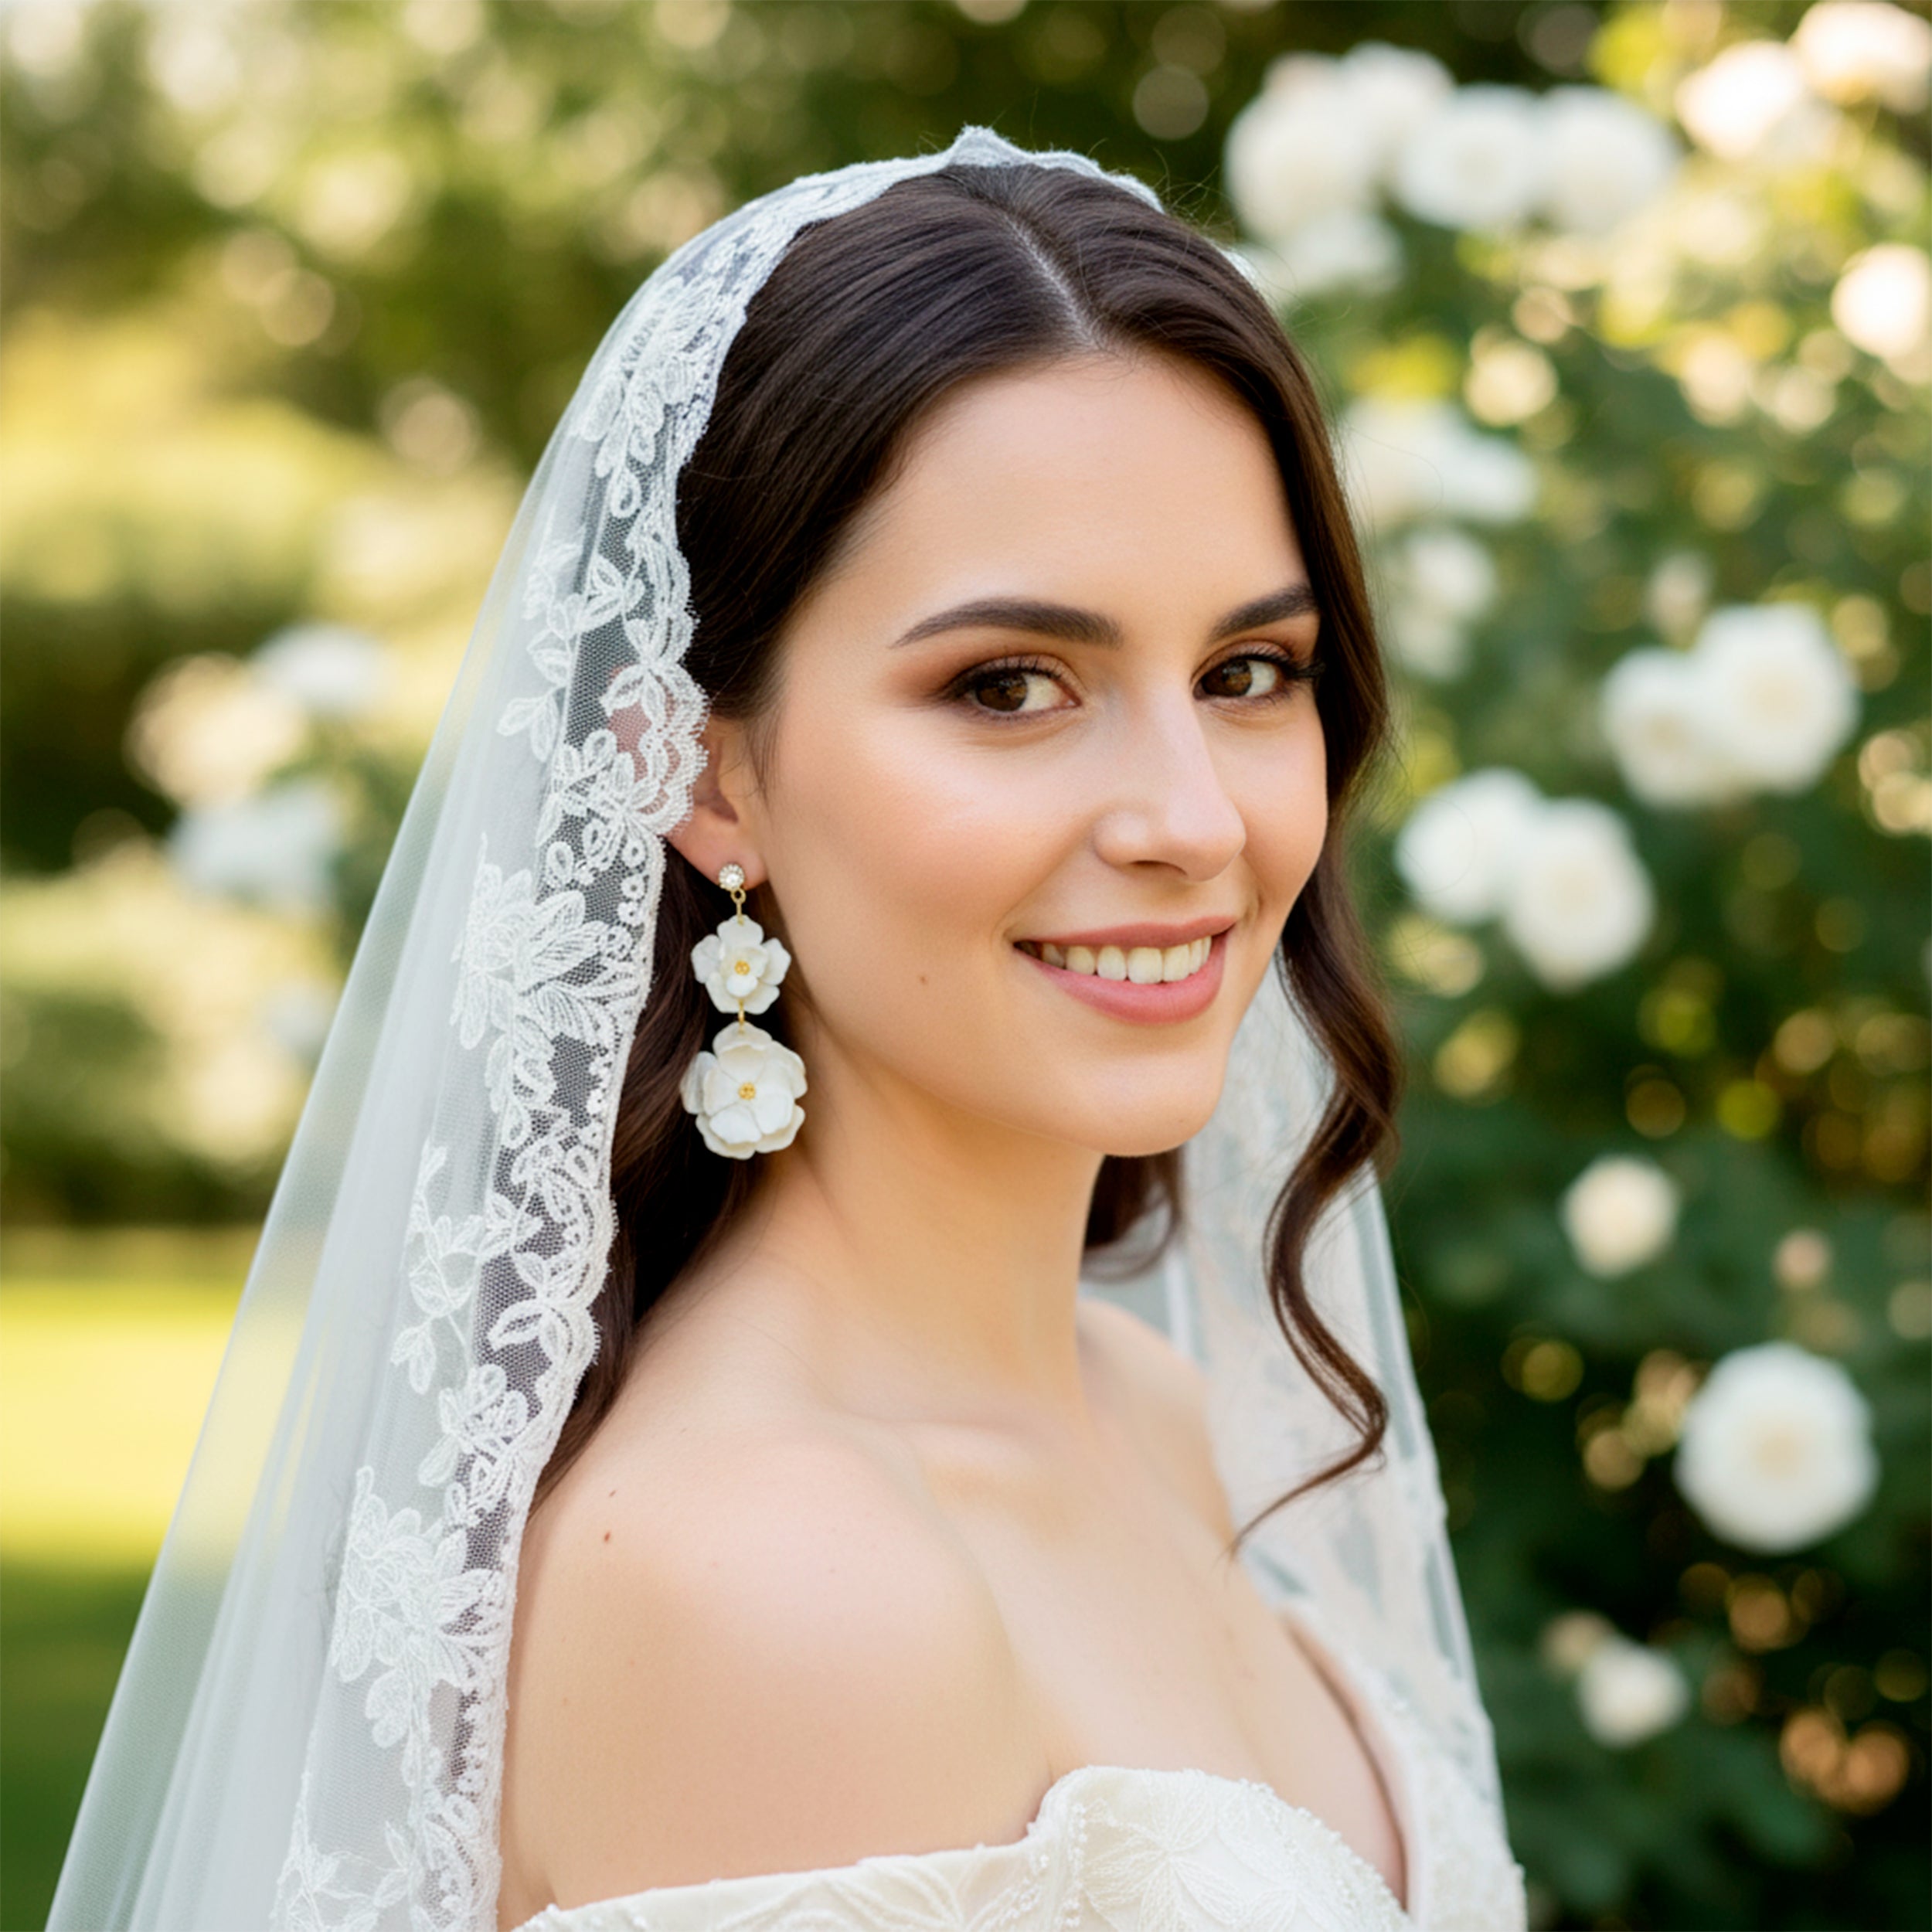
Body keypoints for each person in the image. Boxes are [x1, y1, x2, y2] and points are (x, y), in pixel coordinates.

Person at [49, 129, 1525, 1932]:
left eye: (1244, 673)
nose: (1190, 818)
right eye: (1008, 685)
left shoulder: (1157, 1408)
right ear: (703, 772)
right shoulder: (770, 1580)